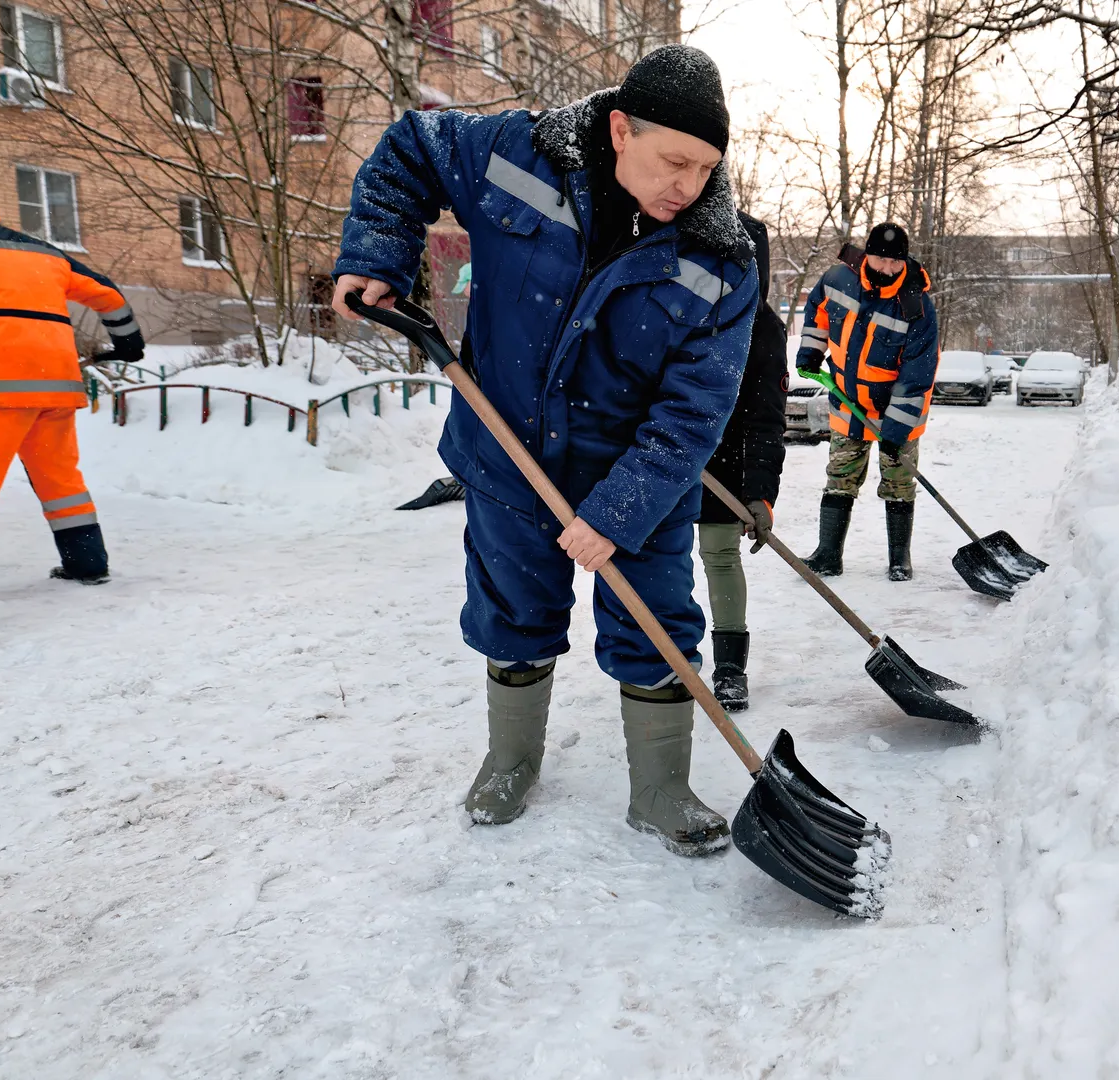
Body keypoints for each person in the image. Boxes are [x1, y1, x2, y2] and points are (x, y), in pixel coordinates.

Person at [330, 45, 760, 854]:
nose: (688, 186)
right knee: (512, 613)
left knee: (657, 623)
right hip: (506, 452)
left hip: (638, 475)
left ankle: (662, 788)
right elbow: (410, 149)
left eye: (706, 169)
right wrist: (376, 256)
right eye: (673, 161)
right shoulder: (513, 153)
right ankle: (511, 759)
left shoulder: (721, 264)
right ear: (623, 128)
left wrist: (618, 512)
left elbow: (694, 411)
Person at [0, 166, 144, 602]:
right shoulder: (41, 252)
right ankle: (87, 564)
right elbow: (108, 294)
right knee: (60, 479)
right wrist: (128, 342)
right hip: (55, 386)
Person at [795, 221, 939, 581]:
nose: (886, 268)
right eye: (879, 259)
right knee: (839, 478)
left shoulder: (915, 305)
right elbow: (817, 310)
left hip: (898, 411)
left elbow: (919, 371)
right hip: (848, 402)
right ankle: (828, 554)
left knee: (899, 482)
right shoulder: (838, 279)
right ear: (867, 254)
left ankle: (898, 558)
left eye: (895, 262)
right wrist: (812, 350)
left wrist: (897, 426)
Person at [697, 214, 787, 712]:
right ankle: (661, 661)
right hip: (662, 451)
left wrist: (759, 493)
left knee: (719, 554)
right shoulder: (676, 305)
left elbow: (765, 418)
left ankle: (730, 666)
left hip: (726, 463)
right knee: (651, 556)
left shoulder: (763, 328)